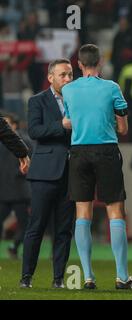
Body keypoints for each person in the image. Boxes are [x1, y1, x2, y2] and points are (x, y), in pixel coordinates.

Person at [62, 44, 132, 290]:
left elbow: (69, 121)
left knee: (82, 214)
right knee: (115, 211)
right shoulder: (112, 88)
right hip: (106, 150)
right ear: (100, 63)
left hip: (78, 153)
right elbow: (123, 128)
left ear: (79, 64)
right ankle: (121, 277)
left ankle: (88, 277)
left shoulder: (68, 89)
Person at [20, 59, 74, 289]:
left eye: (71, 74)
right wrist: (61, 125)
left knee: (63, 230)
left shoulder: (78, 100)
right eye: (63, 75)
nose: (68, 79)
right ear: (50, 77)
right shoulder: (37, 100)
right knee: (37, 227)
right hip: (44, 173)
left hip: (71, 173)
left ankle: (58, 279)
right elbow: (34, 131)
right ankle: (26, 277)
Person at [0, 112, 31, 259]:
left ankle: (14, 247)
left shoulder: (24, 141)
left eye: (7, 123)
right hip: (5, 191)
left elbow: (30, 162)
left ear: (15, 125)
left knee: (24, 224)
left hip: (19, 191)